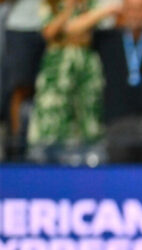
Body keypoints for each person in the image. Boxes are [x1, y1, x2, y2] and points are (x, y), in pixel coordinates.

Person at [65, 0, 142, 163]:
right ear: (123, 9)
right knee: (120, 178)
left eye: (140, 9)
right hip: (119, 118)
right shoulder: (110, 37)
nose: (135, 14)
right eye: (130, 9)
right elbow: (70, 31)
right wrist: (106, 12)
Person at [27, 0, 104, 163]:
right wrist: (68, 11)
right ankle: (45, 155)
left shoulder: (91, 3)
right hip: (57, 66)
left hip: (85, 63)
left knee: (87, 109)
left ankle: (88, 157)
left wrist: (67, 31)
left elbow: (85, 31)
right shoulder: (49, 3)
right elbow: (49, 32)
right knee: (51, 107)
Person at [3, 0, 45, 159]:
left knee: (38, 88)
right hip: (19, 29)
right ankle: (15, 147)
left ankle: (34, 142)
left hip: (46, 26)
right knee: (20, 88)